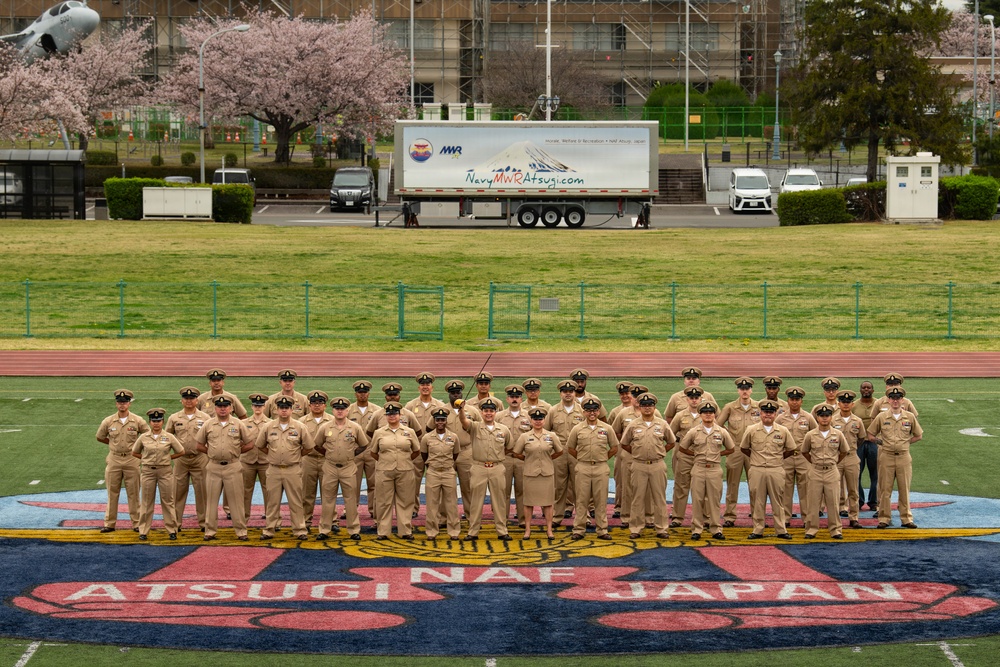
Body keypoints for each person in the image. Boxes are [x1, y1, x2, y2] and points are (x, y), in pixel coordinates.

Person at [195, 395, 255, 541]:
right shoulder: (208, 424)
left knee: (236, 501)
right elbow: (199, 445)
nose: (223, 409)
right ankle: (210, 531)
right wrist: (211, 453)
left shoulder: (238, 424)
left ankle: (241, 531)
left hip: (233, 466)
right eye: (220, 406)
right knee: (211, 501)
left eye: (226, 406)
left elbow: (250, 443)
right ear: (215, 408)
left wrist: (235, 452)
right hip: (214, 466)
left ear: (231, 408)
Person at [256, 395, 314, 541]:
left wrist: (295, 456)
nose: (284, 411)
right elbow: (260, 445)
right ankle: (269, 529)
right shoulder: (268, 426)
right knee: (272, 502)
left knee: (295, 501)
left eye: (287, 408)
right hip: (274, 469)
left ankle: (300, 530)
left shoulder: (300, 427)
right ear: (276, 409)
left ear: (291, 409)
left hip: (292, 469)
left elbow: (309, 447)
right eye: (281, 408)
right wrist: (273, 455)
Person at [620, 392, 675, 539]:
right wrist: (637, 453)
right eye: (644, 405)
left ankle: (662, 528)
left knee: (659, 498)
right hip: (639, 465)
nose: (647, 408)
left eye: (650, 405)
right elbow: (624, 443)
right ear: (640, 406)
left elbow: (671, 441)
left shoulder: (662, 424)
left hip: (657, 464)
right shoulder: (633, 424)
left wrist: (661, 452)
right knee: (637, 498)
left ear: (654, 406)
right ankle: (636, 529)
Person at [678, 402, 735, 541]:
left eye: (710, 412)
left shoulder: (721, 431)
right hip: (698, 468)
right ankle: (697, 529)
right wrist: (696, 455)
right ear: (700, 414)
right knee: (697, 500)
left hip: (714, 469)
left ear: (715, 414)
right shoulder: (694, 431)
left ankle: (716, 528)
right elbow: (682, 447)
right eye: (705, 412)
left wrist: (718, 455)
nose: (708, 415)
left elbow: (731, 448)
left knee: (714, 500)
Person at [314, 397, 369, 541]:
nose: (340, 411)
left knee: (350, 500)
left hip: (348, 467)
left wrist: (351, 455)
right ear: (333, 410)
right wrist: (328, 455)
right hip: (330, 467)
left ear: (347, 411)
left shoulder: (354, 427)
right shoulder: (325, 427)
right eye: (337, 409)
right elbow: (317, 444)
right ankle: (325, 529)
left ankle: (353, 530)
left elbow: (364, 445)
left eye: (343, 409)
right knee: (327, 500)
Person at [868, 387, 923, 529]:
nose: (895, 401)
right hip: (886, 456)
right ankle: (884, 518)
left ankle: (906, 519)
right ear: (888, 400)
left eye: (898, 398)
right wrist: (881, 443)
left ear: (902, 400)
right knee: (885, 489)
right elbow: (870, 434)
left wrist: (905, 443)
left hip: (904, 457)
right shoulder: (882, 417)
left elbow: (918, 435)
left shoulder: (909, 417)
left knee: (904, 488)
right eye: (892, 398)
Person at [459, 397, 513, 541]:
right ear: (481, 412)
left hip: (497, 467)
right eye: (486, 411)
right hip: (479, 467)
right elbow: (464, 422)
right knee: (476, 501)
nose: (488, 413)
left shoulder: (503, 429)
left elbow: (508, 447)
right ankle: (473, 531)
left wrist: (497, 457)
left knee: (499, 501)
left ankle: (502, 531)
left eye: (491, 411)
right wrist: (461, 411)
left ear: (495, 412)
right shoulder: (475, 426)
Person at [740, 400, 794, 540]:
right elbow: (744, 448)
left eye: (771, 412)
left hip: (776, 469)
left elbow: (791, 448)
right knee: (758, 501)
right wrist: (756, 458)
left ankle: (781, 530)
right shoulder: (751, 430)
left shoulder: (783, 431)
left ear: (776, 414)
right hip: (757, 469)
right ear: (760, 413)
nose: (768, 415)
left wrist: (778, 458)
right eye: (765, 412)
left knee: (778, 501)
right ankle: (758, 529)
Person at [96, 389, 149, 533]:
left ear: (129, 403)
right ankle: (109, 523)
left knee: (133, 494)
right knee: (112, 493)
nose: (122, 405)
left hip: (132, 459)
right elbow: (100, 436)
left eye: (125, 402)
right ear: (116, 404)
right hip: (114, 459)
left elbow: (147, 436)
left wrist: (137, 448)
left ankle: (137, 523)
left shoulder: (138, 420)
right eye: (120, 402)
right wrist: (113, 445)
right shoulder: (108, 421)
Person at [566, 398, 619, 540]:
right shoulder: (577, 429)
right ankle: (579, 529)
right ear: (583, 412)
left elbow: (614, 447)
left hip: (601, 467)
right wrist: (582, 458)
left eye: (595, 410)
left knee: (600, 500)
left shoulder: (607, 428)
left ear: (599, 411)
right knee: (581, 500)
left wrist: (603, 458)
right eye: (589, 410)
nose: (592, 413)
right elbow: (570, 448)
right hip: (583, 466)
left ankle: (602, 530)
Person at [369, 402, 421, 540]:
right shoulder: (378, 433)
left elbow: (416, 450)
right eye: (389, 414)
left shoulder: (409, 432)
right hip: (384, 470)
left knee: (405, 501)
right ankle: (383, 531)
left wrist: (405, 460)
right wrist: (385, 460)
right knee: (383, 501)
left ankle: (405, 530)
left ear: (400, 415)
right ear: (386, 416)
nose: (392, 416)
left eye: (394, 414)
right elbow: (373, 452)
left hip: (405, 469)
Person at [131, 408, 183, 540]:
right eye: (154, 421)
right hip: (148, 471)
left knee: (168, 501)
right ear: (149, 422)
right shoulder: (143, 437)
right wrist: (145, 459)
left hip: (165, 471)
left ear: (163, 421)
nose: (156, 423)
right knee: (147, 502)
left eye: (159, 420)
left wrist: (168, 458)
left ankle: (172, 530)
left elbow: (181, 451)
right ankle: (143, 531)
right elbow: (134, 452)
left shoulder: (169, 437)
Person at [512, 407, 563, 539]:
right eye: (535, 419)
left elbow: (559, 451)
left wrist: (548, 459)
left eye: (540, 419)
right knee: (528, 503)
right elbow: (516, 453)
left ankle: (549, 530)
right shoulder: (525, 436)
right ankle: (528, 530)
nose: (538, 421)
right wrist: (527, 459)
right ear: (530, 420)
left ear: (545, 420)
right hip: (530, 473)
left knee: (548, 503)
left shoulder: (551, 436)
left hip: (546, 473)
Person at [166, 386, 210, 533]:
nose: (189, 401)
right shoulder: (174, 418)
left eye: (192, 398)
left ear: (197, 400)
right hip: (181, 460)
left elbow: (211, 438)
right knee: (177, 492)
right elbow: (167, 438)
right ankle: (176, 523)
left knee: (202, 492)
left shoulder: (205, 418)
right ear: (182, 400)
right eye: (186, 398)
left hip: (200, 459)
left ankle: (204, 523)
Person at [801, 405, 849, 539]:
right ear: (817, 417)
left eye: (827, 415)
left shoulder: (838, 434)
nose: (824, 418)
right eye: (822, 416)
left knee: (833, 502)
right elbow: (804, 451)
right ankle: (811, 529)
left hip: (831, 471)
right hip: (815, 470)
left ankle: (835, 530)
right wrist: (815, 463)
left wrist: (833, 463)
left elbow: (844, 451)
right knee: (813, 502)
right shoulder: (810, 435)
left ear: (831, 417)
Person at [718, 376, 761, 527]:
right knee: (732, 484)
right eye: (742, 389)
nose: (745, 391)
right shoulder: (730, 407)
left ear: (751, 390)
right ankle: (729, 516)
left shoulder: (759, 407)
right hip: (735, 450)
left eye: (747, 388)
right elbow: (718, 425)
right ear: (738, 390)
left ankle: (758, 517)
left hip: (753, 451)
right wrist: (728, 438)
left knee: (755, 485)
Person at [543, 379, 586, 527]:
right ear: (561, 394)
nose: (568, 394)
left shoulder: (582, 410)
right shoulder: (553, 411)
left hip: (577, 452)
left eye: (571, 392)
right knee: (559, 486)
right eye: (565, 392)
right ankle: (557, 517)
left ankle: (583, 517)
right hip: (559, 452)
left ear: (575, 393)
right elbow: (546, 431)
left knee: (579, 486)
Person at [775, 386, 817, 527]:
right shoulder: (780, 418)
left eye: (797, 399)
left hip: (802, 457)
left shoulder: (808, 417)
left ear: (801, 401)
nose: (794, 402)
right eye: (792, 399)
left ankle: (806, 519)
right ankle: (786, 518)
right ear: (787, 401)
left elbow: (815, 435)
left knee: (805, 489)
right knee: (785, 489)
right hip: (786, 457)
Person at [405, 372, 446, 513]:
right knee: (413, 481)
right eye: (422, 384)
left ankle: (437, 510)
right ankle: (413, 509)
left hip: (436, 448)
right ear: (419, 388)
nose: (425, 387)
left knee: (437, 480)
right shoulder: (410, 406)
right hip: (416, 448)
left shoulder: (440, 406)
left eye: (427, 384)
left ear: (432, 387)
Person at [420, 407, 462, 540]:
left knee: (452, 504)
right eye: (437, 420)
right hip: (433, 472)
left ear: (446, 421)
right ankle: (431, 532)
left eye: (443, 420)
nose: (440, 422)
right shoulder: (427, 437)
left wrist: (447, 465)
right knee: (432, 504)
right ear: (434, 421)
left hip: (449, 472)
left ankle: (454, 531)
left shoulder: (453, 437)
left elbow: (455, 454)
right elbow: (424, 455)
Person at [668, 386, 705, 528]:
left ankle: (705, 518)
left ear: (701, 399)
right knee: (681, 486)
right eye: (691, 398)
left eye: (697, 398)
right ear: (687, 399)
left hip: (702, 457)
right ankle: (677, 517)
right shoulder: (680, 416)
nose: (694, 400)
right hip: (684, 456)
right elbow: (670, 434)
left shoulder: (707, 415)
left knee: (703, 488)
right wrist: (681, 443)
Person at [496, 384, 531, 527]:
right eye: (512, 397)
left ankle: (523, 520)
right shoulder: (499, 416)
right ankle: (502, 520)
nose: (514, 399)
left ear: (521, 399)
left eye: (517, 397)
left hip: (522, 459)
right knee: (503, 491)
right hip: (505, 459)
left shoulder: (529, 416)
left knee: (522, 491)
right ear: (507, 399)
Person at [832, 389, 865, 529]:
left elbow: (861, 438)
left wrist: (851, 450)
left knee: (853, 490)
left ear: (852, 404)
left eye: (848, 402)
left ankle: (854, 517)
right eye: (843, 402)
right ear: (838, 403)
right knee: (834, 490)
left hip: (851, 457)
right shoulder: (832, 420)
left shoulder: (858, 421)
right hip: (836, 458)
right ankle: (835, 519)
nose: (845, 404)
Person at [300, 390, 332, 531]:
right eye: (314, 403)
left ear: (325, 405)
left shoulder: (332, 420)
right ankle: (305, 521)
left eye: (320, 403)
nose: (317, 406)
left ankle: (332, 521)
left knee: (328, 493)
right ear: (309, 405)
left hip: (327, 460)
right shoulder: (301, 422)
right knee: (307, 493)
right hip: (309, 460)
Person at [347, 380, 379, 521]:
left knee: (374, 483)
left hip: (372, 451)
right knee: (352, 483)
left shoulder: (377, 411)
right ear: (356, 394)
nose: (362, 394)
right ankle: (350, 509)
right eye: (360, 392)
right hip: (355, 452)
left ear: (368, 393)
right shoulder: (348, 410)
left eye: (365, 392)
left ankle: (374, 509)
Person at [240, 393, 270, 524]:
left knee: (269, 491)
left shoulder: (271, 423)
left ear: (264, 407)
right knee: (245, 491)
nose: (258, 408)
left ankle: (271, 518)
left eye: (260, 405)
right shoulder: (243, 423)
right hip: (247, 461)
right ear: (251, 407)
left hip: (266, 461)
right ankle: (244, 519)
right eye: (255, 405)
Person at [853, 380, 880, 513]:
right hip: (859, 442)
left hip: (875, 442)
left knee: (876, 474)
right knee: (856, 473)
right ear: (860, 390)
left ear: (873, 390)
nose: (866, 389)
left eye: (869, 387)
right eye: (864, 387)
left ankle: (874, 501)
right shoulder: (854, 405)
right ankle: (859, 501)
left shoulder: (878, 403)